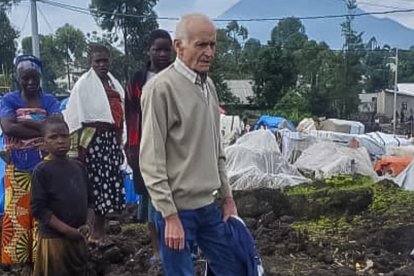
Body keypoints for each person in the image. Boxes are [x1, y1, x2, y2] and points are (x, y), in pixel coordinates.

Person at [140, 13, 246, 275]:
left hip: (208, 207)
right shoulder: (160, 90)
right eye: (201, 45)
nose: (209, 52)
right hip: (177, 210)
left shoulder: (208, 86)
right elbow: (151, 159)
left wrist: (228, 197)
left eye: (212, 45)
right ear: (179, 46)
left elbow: (216, 148)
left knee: (234, 267)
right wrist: (169, 215)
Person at [0, 55, 61, 269]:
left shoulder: (50, 100)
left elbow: (58, 126)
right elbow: (8, 128)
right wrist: (43, 127)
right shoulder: (9, 100)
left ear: (40, 77)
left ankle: (40, 260)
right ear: (18, 77)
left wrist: (23, 121)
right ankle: (16, 262)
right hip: (16, 165)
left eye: (34, 77)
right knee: (16, 212)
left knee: (42, 212)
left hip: (44, 165)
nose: (30, 82)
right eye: (26, 78)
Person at [63, 44, 125, 244]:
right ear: (91, 62)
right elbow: (74, 118)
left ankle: (102, 231)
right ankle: (91, 232)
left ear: (110, 61)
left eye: (105, 60)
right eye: (97, 61)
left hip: (110, 141)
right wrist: (76, 151)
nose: (101, 64)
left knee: (107, 185)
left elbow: (120, 115)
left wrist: (119, 143)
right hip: (92, 142)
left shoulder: (114, 84)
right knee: (94, 187)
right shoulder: (83, 85)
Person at [125, 29, 173, 263]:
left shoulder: (180, 76)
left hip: (175, 149)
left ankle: (175, 248)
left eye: (167, 49)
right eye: (158, 49)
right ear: (149, 51)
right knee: (150, 202)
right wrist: (132, 149)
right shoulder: (138, 79)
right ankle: (157, 250)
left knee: (175, 200)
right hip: (145, 147)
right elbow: (131, 116)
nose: (162, 54)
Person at [31, 118, 94, 276]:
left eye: (64, 136)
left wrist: (88, 225)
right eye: (53, 137)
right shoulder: (41, 171)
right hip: (54, 241)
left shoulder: (79, 167)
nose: (60, 141)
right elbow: (39, 209)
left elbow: (90, 201)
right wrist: (66, 230)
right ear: (43, 142)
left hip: (79, 238)